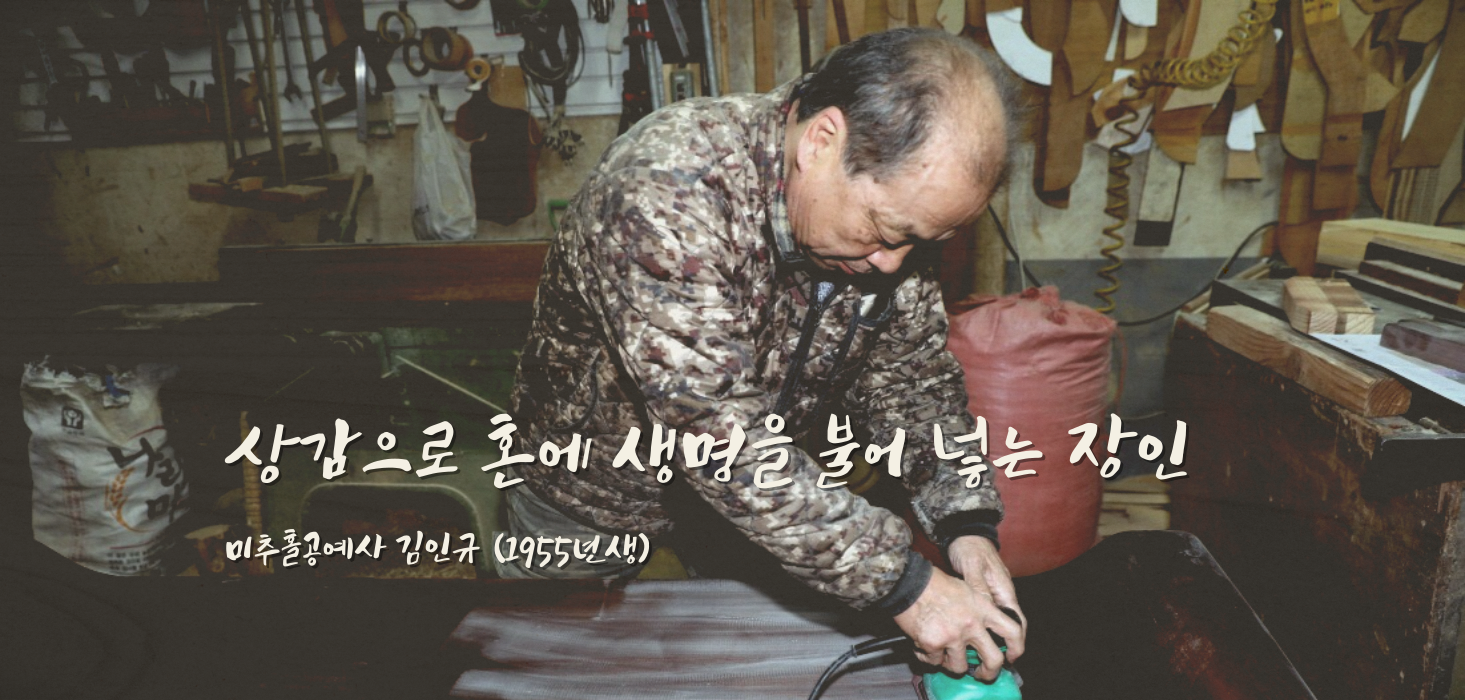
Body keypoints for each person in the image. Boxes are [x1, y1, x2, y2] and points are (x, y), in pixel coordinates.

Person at [500, 27, 1027, 681]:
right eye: (885, 231)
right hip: (587, 493)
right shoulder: (665, 190)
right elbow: (719, 435)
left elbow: (912, 380)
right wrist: (905, 585)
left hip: (756, 506)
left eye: (921, 242)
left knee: (758, 671)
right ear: (820, 141)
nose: (894, 263)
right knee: (546, 667)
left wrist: (965, 523)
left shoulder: (890, 219)